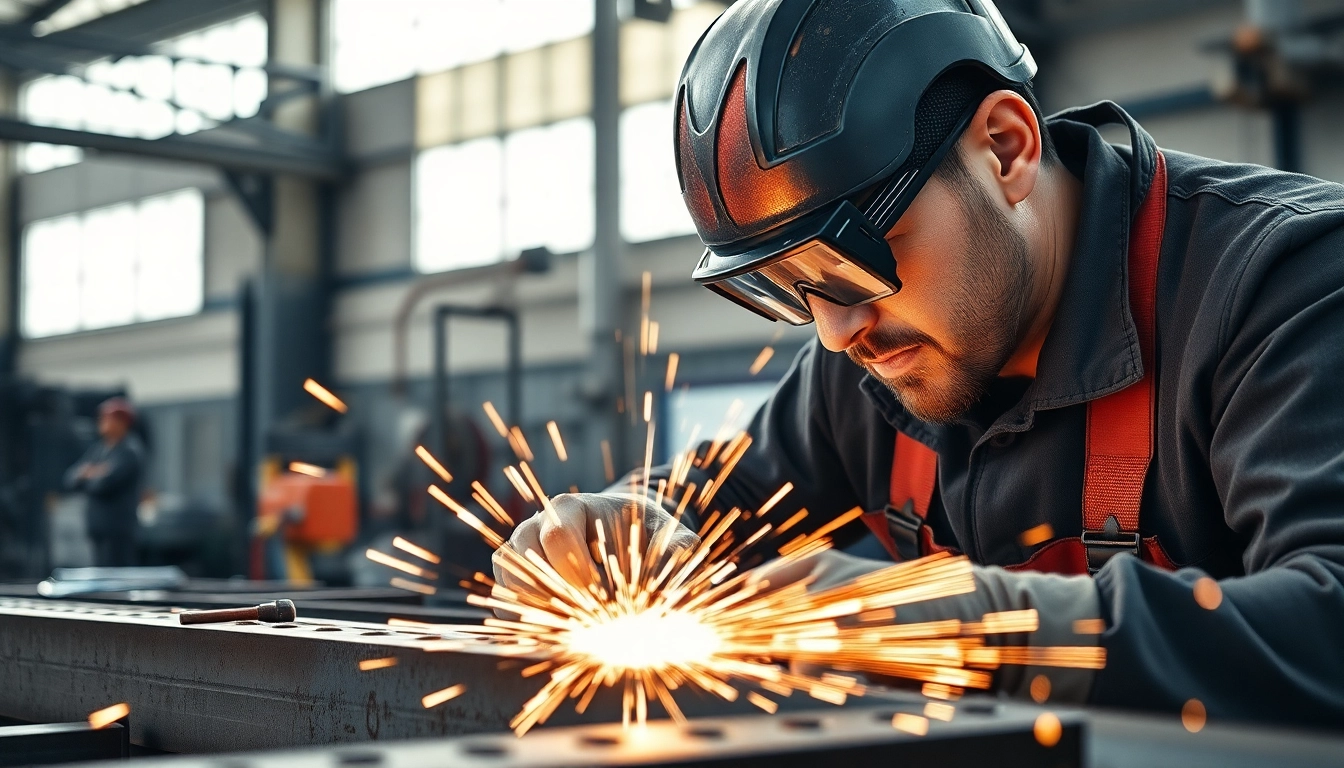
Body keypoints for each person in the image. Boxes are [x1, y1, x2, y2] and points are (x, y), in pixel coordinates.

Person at [495, 0, 1344, 727]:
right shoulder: (866, 358)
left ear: (1005, 149)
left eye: (855, 262)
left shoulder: (1288, 283)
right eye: (793, 290)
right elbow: (717, 507)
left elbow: (1328, 620)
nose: (835, 330)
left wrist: (985, 627)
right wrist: (624, 526)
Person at [65, 397, 146, 568]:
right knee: (100, 573)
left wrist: (90, 474)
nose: (101, 422)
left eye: (107, 418)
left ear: (122, 422)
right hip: (97, 526)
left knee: (118, 575)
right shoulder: (99, 449)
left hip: (118, 528)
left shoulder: (129, 451)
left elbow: (104, 484)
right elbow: (71, 479)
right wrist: (95, 472)